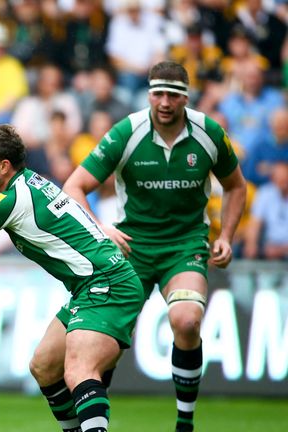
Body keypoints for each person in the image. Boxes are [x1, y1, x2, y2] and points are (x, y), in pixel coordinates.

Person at [0, 124, 145, 432]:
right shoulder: (27, 184)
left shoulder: (11, 200)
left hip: (106, 284)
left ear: (4, 166)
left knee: (78, 370)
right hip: (92, 284)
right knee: (45, 366)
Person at [62, 61, 247, 432]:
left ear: (186, 97)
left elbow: (236, 186)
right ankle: (93, 424)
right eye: (158, 93)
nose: (165, 102)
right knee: (101, 348)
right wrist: (100, 229)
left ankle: (185, 421)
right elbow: (74, 186)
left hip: (185, 245)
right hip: (132, 249)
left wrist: (225, 235)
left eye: (173, 95)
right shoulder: (127, 132)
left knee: (187, 319)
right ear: (148, 94)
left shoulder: (209, 133)